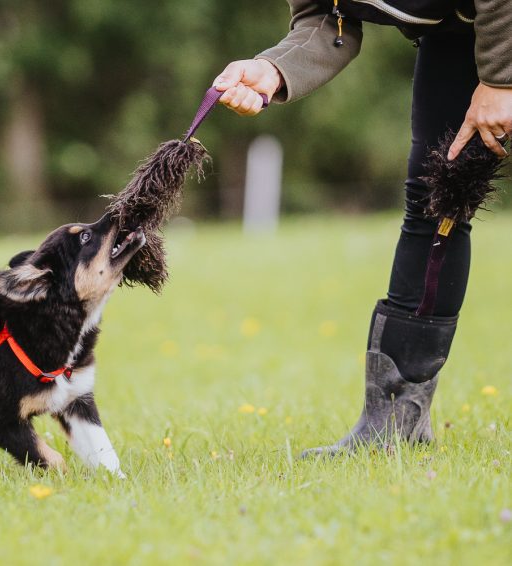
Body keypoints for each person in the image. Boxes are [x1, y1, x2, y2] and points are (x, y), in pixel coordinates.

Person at [212, 0, 512, 456]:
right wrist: (273, 68)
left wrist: (500, 79)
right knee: (438, 199)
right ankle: (395, 426)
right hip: (460, 33)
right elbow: (327, 19)